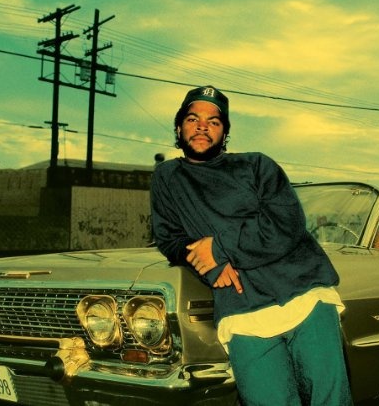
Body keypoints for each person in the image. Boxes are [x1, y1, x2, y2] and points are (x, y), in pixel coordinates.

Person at [150, 85, 353, 406]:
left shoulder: (256, 165)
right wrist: (210, 266)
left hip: (304, 295)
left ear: (225, 132)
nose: (203, 126)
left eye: (214, 121)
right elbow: (170, 239)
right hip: (241, 309)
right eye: (193, 118)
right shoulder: (167, 177)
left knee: (329, 401)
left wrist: (217, 249)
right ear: (179, 126)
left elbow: (286, 226)